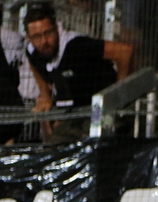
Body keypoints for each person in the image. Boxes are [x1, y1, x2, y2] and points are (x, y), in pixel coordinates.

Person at [25, 2, 132, 143]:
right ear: (28, 38)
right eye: (37, 37)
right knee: (54, 151)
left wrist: (121, 93)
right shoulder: (32, 51)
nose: (44, 41)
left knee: (94, 149)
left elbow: (124, 52)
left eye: (48, 33)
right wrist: (45, 94)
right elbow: (34, 64)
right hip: (74, 114)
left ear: (57, 29)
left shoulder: (77, 45)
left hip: (103, 110)